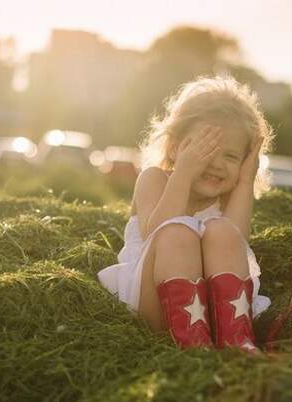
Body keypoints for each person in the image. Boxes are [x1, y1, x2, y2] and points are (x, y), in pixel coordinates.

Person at [97, 74, 274, 352]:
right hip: (153, 303)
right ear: (175, 146)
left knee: (224, 231)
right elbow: (155, 231)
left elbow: (238, 243)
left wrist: (244, 182)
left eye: (230, 157)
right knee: (177, 232)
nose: (216, 163)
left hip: (219, 312)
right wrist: (184, 172)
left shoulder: (227, 199)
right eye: (204, 150)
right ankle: (193, 348)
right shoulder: (154, 179)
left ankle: (236, 341)